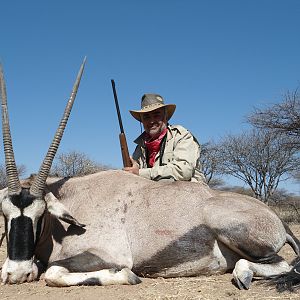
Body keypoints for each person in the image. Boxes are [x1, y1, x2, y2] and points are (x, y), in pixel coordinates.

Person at [123, 93, 206, 183]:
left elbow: (183, 171)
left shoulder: (182, 136)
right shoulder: (140, 147)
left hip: (190, 192)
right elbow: (134, 172)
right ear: (141, 121)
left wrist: (140, 173)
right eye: (146, 117)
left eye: (156, 115)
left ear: (165, 116)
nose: (151, 121)